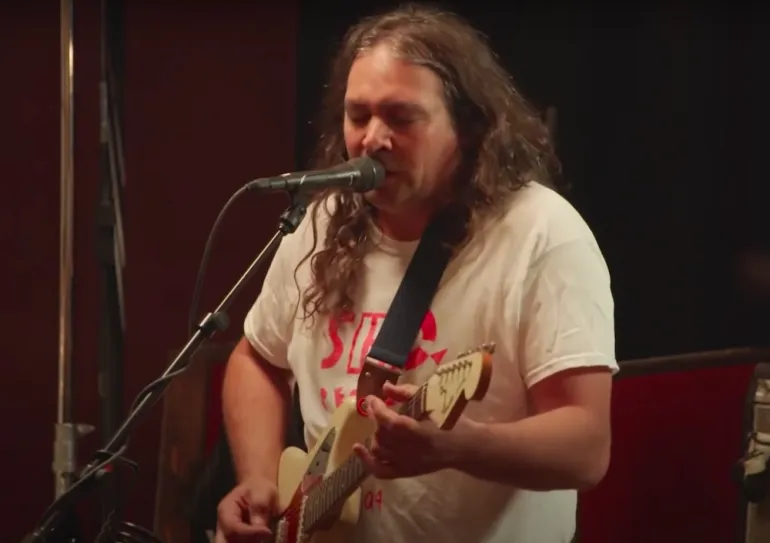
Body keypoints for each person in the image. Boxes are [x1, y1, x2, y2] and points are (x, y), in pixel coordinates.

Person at [215, 4, 617, 542]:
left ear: (469, 127)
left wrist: (457, 447)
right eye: (358, 116)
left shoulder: (541, 235)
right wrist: (261, 477)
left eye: (401, 118)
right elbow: (256, 358)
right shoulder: (324, 218)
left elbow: (586, 448)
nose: (372, 139)